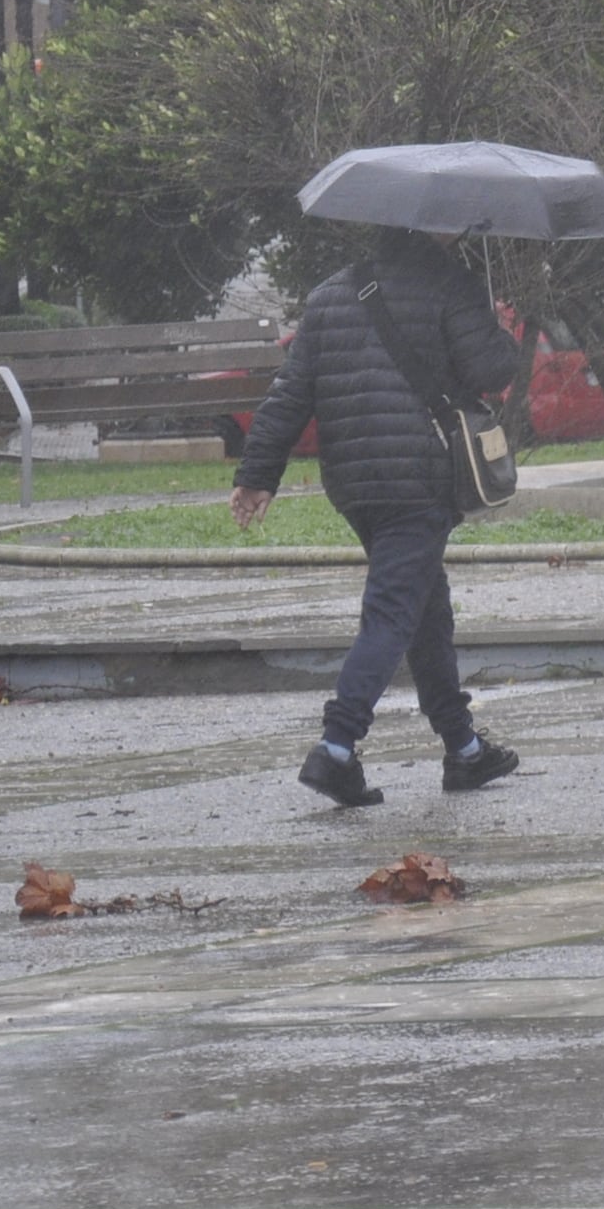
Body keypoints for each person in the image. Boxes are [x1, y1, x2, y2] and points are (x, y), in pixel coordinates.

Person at [232, 227, 527, 806]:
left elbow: (292, 392)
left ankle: (463, 749)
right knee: (394, 611)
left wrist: (258, 474)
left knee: (425, 607)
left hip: (355, 484)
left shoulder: (332, 294)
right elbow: (492, 370)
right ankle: (336, 747)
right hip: (419, 476)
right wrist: (501, 329)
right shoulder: (451, 284)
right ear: (433, 229)